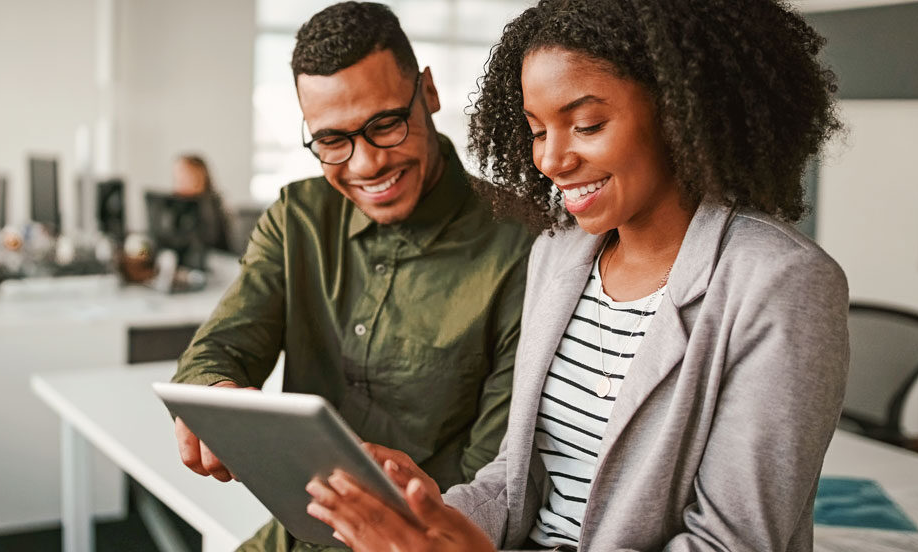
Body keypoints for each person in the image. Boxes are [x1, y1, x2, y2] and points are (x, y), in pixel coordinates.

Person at [304, 0, 849, 550]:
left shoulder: (782, 283)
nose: (551, 159)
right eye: (538, 130)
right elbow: (519, 482)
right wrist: (431, 514)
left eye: (586, 125)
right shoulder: (558, 254)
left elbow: (734, 542)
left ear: (679, 110)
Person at [170, 3, 532, 551]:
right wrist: (213, 397)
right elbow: (213, 353)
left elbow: (495, 483)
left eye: (386, 124)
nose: (365, 165)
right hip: (297, 533)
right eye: (332, 141)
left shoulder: (524, 246)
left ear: (428, 93)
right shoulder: (297, 217)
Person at [172, 153, 231, 252]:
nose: (178, 184)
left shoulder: (211, 205)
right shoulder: (179, 205)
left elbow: (204, 245)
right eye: (176, 179)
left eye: (183, 177)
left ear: (199, 177)